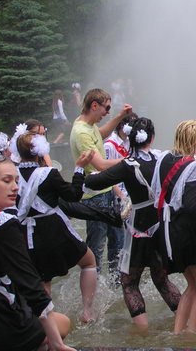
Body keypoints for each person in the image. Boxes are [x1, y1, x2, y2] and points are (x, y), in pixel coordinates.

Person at [85, 117, 181, 327]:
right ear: (152, 137)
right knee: (161, 279)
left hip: (139, 227)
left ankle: (143, 333)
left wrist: (80, 171)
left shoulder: (127, 165)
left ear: (129, 138)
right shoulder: (162, 159)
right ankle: (186, 321)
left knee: (128, 282)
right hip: (161, 224)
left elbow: (96, 182)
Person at [0, 149, 74, 351]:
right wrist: (56, 342)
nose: (15, 187)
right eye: (7, 181)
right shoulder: (2, 224)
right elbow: (29, 283)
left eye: (16, 181)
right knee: (62, 324)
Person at [15, 131, 98, 324]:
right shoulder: (48, 173)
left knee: (43, 280)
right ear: (39, 151)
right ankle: (87, 312)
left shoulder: (11, 174)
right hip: (52, 229)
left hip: (24, 233)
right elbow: (73, 195)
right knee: (89, 261)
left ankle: (44, 324)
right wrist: (79, 169)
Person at [151, 120, 196, 334]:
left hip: (167, 229)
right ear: (195, 139)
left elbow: (156, 192)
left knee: (192, 285)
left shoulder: (163, 158)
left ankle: (178, 332)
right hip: (188, 231)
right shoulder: (194, 164)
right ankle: (192, 336)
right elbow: (192, 204)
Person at [69, 88, 133, 276]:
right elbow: (101, 165)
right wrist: (131, 159)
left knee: (118, 242)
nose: (107, 113)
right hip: (94, 196)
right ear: (94, 105)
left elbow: (101, 133)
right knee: (96, 247)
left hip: (106, 192)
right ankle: (93, 287)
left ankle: (116, 282)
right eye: (106, 108)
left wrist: (120, 116)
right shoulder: (81, 132)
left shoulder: (88, 126)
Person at [102, 112, 138, 284]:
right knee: (117, 239)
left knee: (130, 237)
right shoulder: (110, 145)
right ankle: (115, 277)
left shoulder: (128, 143)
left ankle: (128, 272)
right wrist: (122, 197)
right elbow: (107, 175)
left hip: (130, 195)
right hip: (117, 197)